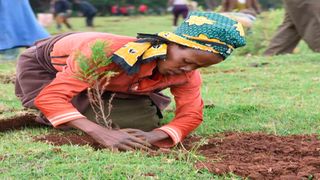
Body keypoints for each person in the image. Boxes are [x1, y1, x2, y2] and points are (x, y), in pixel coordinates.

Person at [15, 12, 246, 151]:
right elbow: (52, 96)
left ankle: (82, 107)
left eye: (199, 66)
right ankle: (57, 114)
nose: (188, 69)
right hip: (48, 69)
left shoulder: (186, 72)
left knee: (143, 126)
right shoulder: (105, 52)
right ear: (170, 43)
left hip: (119, 82)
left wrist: (156, 135)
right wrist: (100, 133)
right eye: (186, 60)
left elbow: (192, 113)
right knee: (96, 122)